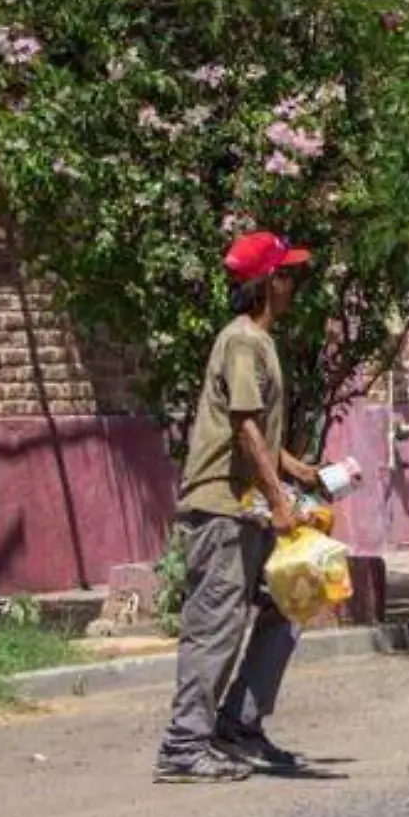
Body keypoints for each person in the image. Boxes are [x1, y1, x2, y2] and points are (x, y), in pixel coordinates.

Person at [153, 230, 321, 784]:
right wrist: (279, 499)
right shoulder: (244, 340)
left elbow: (253, 427)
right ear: (269, 282)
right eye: (288, 275)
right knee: (216, 624)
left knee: (286, 606)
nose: (295, 285)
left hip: (248, 503)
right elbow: (244, 423)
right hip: (225, 508)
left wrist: (294, 470)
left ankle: (240, 726)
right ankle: (184, 745)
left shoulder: (257, 340)